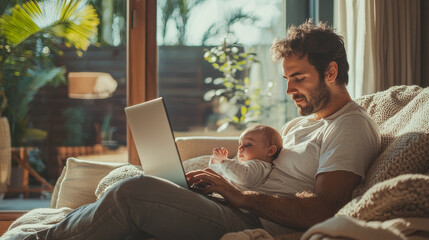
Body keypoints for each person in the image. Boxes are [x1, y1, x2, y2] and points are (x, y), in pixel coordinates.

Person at [24, 20, 381, 240]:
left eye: (299, 78)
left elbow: (324, 209)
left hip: (248, 218)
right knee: (136, 182)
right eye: (287, 79)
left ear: (331, 73)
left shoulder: (350, 126)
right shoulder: (301, 124)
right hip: (232, 203)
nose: (289, 91)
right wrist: (220, 180)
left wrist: (240, 196)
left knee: (133, 194)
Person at [208, 125, 283, 190]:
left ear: (270, 151)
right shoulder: (242, 164)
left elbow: (244, 177)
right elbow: (219, 174)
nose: (240, 148)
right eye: (240, 144)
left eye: (248, 144)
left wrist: (224, 162)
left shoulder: (260, 165)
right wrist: (217, 161)